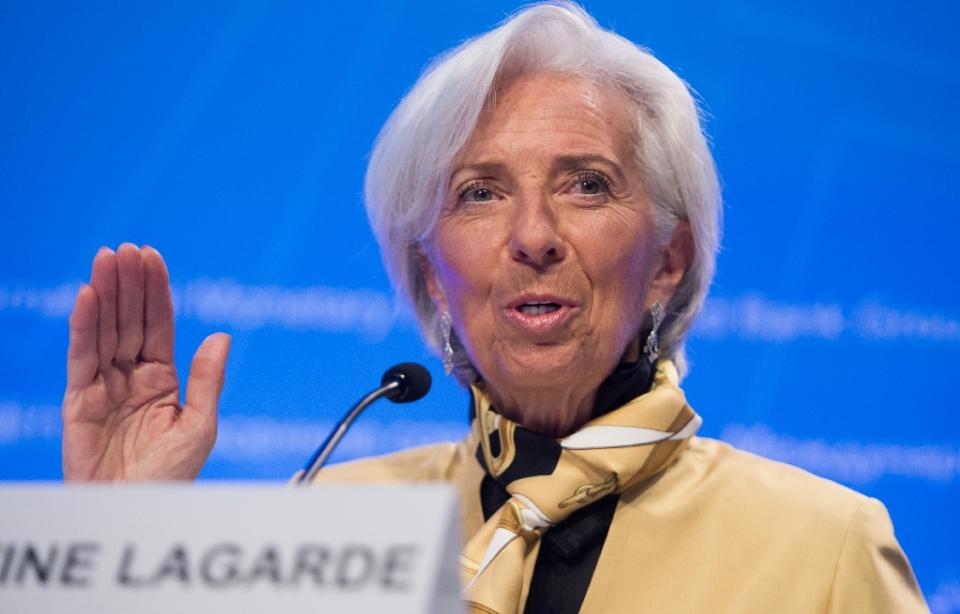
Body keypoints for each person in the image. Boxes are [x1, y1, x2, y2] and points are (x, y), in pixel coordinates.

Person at [61, 3, 928, 612]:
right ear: (434, 275)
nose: (534, 236)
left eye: (587, 185)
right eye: (480, 194)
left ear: (669, 258)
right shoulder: (322, 524)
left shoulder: (823, 549)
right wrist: (105, 553)